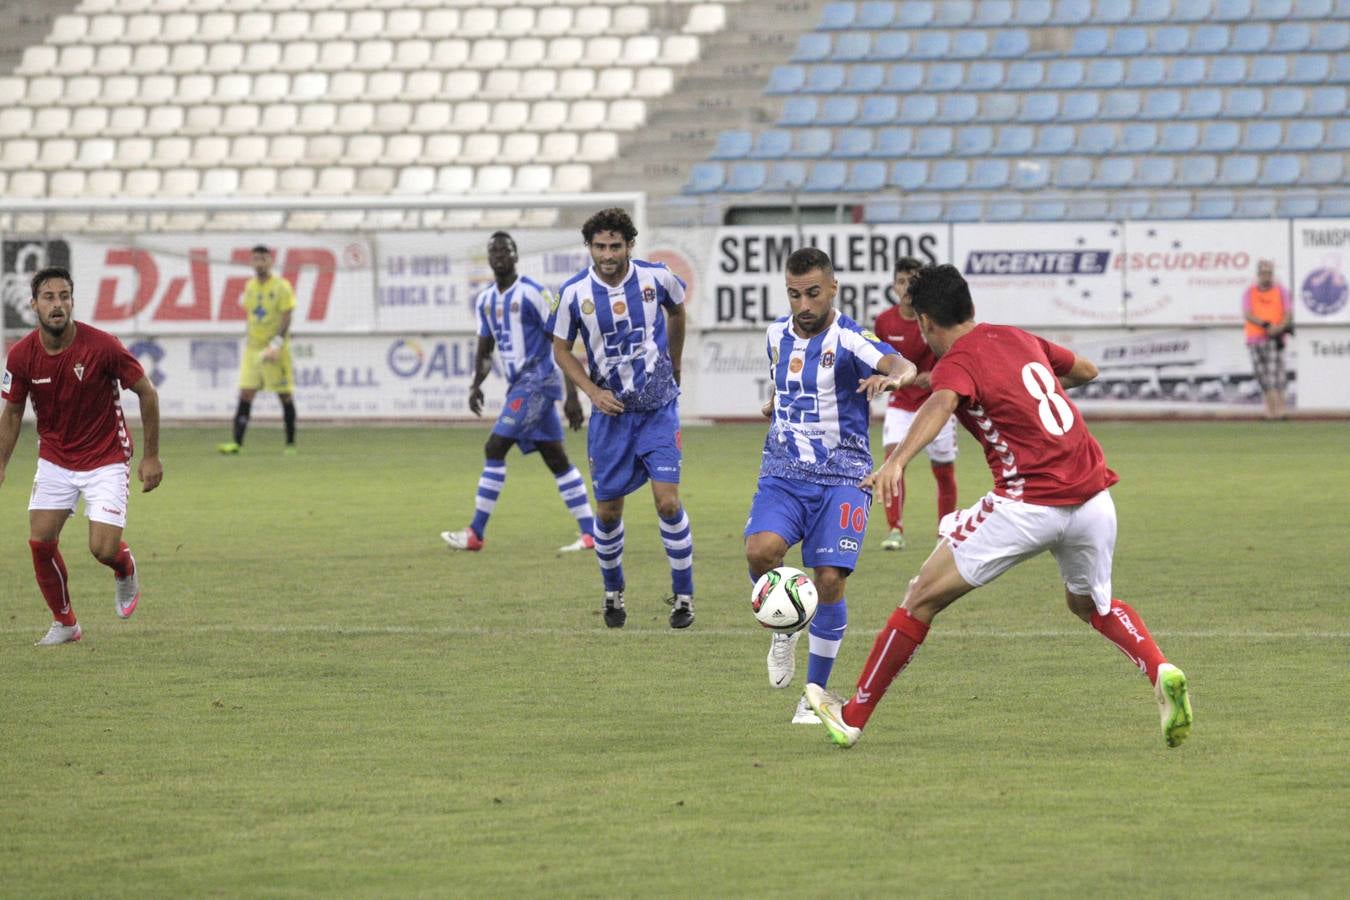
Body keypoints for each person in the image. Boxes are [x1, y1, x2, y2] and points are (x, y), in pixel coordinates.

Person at [804, 265, 1193, 750]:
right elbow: (1087, 371)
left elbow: (940, 405)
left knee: (920, 597)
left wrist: (897, 462)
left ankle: (853, 716)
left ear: (925, 322)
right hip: (1094, 500)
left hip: (1028, 505)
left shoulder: (956, 363)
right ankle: (1161, 668)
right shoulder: (1019, 338)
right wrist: (1023, 397)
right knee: (1090, 604)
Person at [747, 248, 916, 723]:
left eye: (813, 293)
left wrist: (896, 380)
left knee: (828, 580)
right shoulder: (775, 335)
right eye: (795, 294)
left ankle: (814, 694)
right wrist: (775, 405)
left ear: (833, 287)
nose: (804, 304)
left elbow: (899, 363)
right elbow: (786, 384)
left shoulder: (851, 338)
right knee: (760, 553)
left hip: (844, 476)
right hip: (783, 471)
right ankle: (785, 627)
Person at [0, 267, 163, 645]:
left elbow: (147, 393)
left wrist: (151, 457)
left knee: (101, 549)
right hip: (56, 457)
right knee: (40, 542)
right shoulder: (21, 355)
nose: (57, 305)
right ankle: (66, 623)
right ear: (34, 305)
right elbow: (11, 412)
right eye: (48, 297)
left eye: (64, 296)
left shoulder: (102, 346)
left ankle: (124, 567)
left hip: (106, 456)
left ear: (72, 301)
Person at [549, 207, 695, 629]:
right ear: (590, 248)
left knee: (667, 502)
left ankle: (683, 596)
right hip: (611, 419)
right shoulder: (575, 293)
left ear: (630, 245)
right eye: (600, 246)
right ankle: (613, 592)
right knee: (608, 513)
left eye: (615, 245)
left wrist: (676, 363)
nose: (608, 253)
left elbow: (678, 310)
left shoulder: (656, 278)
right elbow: (560, 348)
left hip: (657, 409)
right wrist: (590, 391)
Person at [441, 232, 596, 554]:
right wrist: (476, 384)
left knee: (495, 447)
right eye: (493, 251)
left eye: (505, 250)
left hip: (538, 380)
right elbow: (486, 347)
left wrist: (572, 395)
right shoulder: (485, 300)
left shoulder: (534, 293)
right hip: (519, 384)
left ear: (515, 256)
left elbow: (562, 341)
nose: (498, 255)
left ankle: (475, 533)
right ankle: (592, 534)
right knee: (557, 459)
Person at [871, 256, 959, 551]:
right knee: (892, 461)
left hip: (937, 403)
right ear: (894, 286)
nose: (907, 286)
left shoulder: (935, 319)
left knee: (943, 468)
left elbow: (953, 354)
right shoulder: (884, 321)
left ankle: (944, 532)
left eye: (913, 280)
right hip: (901, 403)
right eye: (901, 281)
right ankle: (895, 528)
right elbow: (880, 360)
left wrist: (934, 375)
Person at [218, 245, 297, 455]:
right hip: (253, 349)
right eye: (256, 259)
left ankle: (290, 444)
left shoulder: (282, 286)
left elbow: (287, 315)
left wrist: (277, 343)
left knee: (284, 395)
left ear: (270, 261)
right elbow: (252, 315)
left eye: (263, 259)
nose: (259, 263)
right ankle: (236, 442)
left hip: (275, 348)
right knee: (246, 393)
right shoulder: (250, 286)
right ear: (251, 262)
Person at [1242, 259, 1292, 420]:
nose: (1267, 276)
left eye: (1269, 273)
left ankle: (1278, 411)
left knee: (1275, 375)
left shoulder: (1281, 291)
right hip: (1254, 338)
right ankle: (1271, 411)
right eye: (1264, 273)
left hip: (1274, 338)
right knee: (1262, 376)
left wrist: (1279, 327)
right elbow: (1248, 314)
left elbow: (1288, 313)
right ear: (1258, 275)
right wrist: (1266, 325)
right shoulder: (1250, 292)